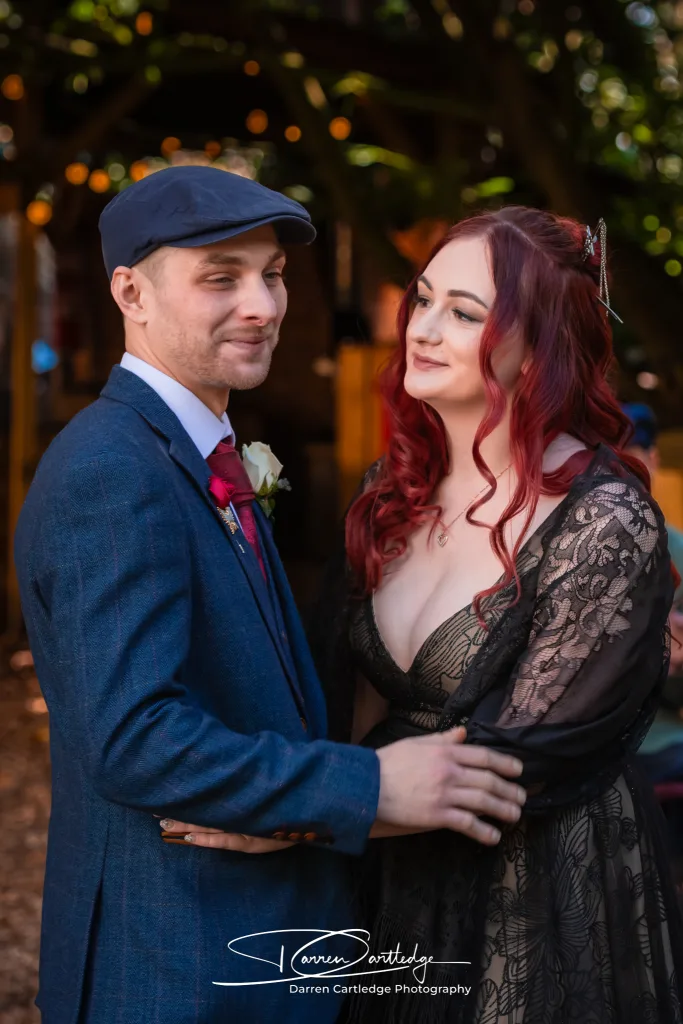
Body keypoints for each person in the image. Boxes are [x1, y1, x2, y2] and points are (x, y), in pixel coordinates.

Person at [13, 167, 526, 1024]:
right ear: (131, 293)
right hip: (173, 966)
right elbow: (135, 740)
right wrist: (366, 787)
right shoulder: (112, 469)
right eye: (221, 278)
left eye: (274, 275)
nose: (261, 305)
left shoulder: (198, 450)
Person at [310, 207, 683, 1022]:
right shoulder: (388, 491)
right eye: (423, 300)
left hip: (534, 894)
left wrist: (286, 818)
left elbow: (510, 768)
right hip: (385, 876)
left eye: (464, 313)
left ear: (538, 349)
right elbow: (347, 704)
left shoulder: (603, 523)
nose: (422, 329)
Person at [621, 402, 683, 795]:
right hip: (591, 747)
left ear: (653, 460)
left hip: (662, 740)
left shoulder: (677, 550)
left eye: (629, 463)